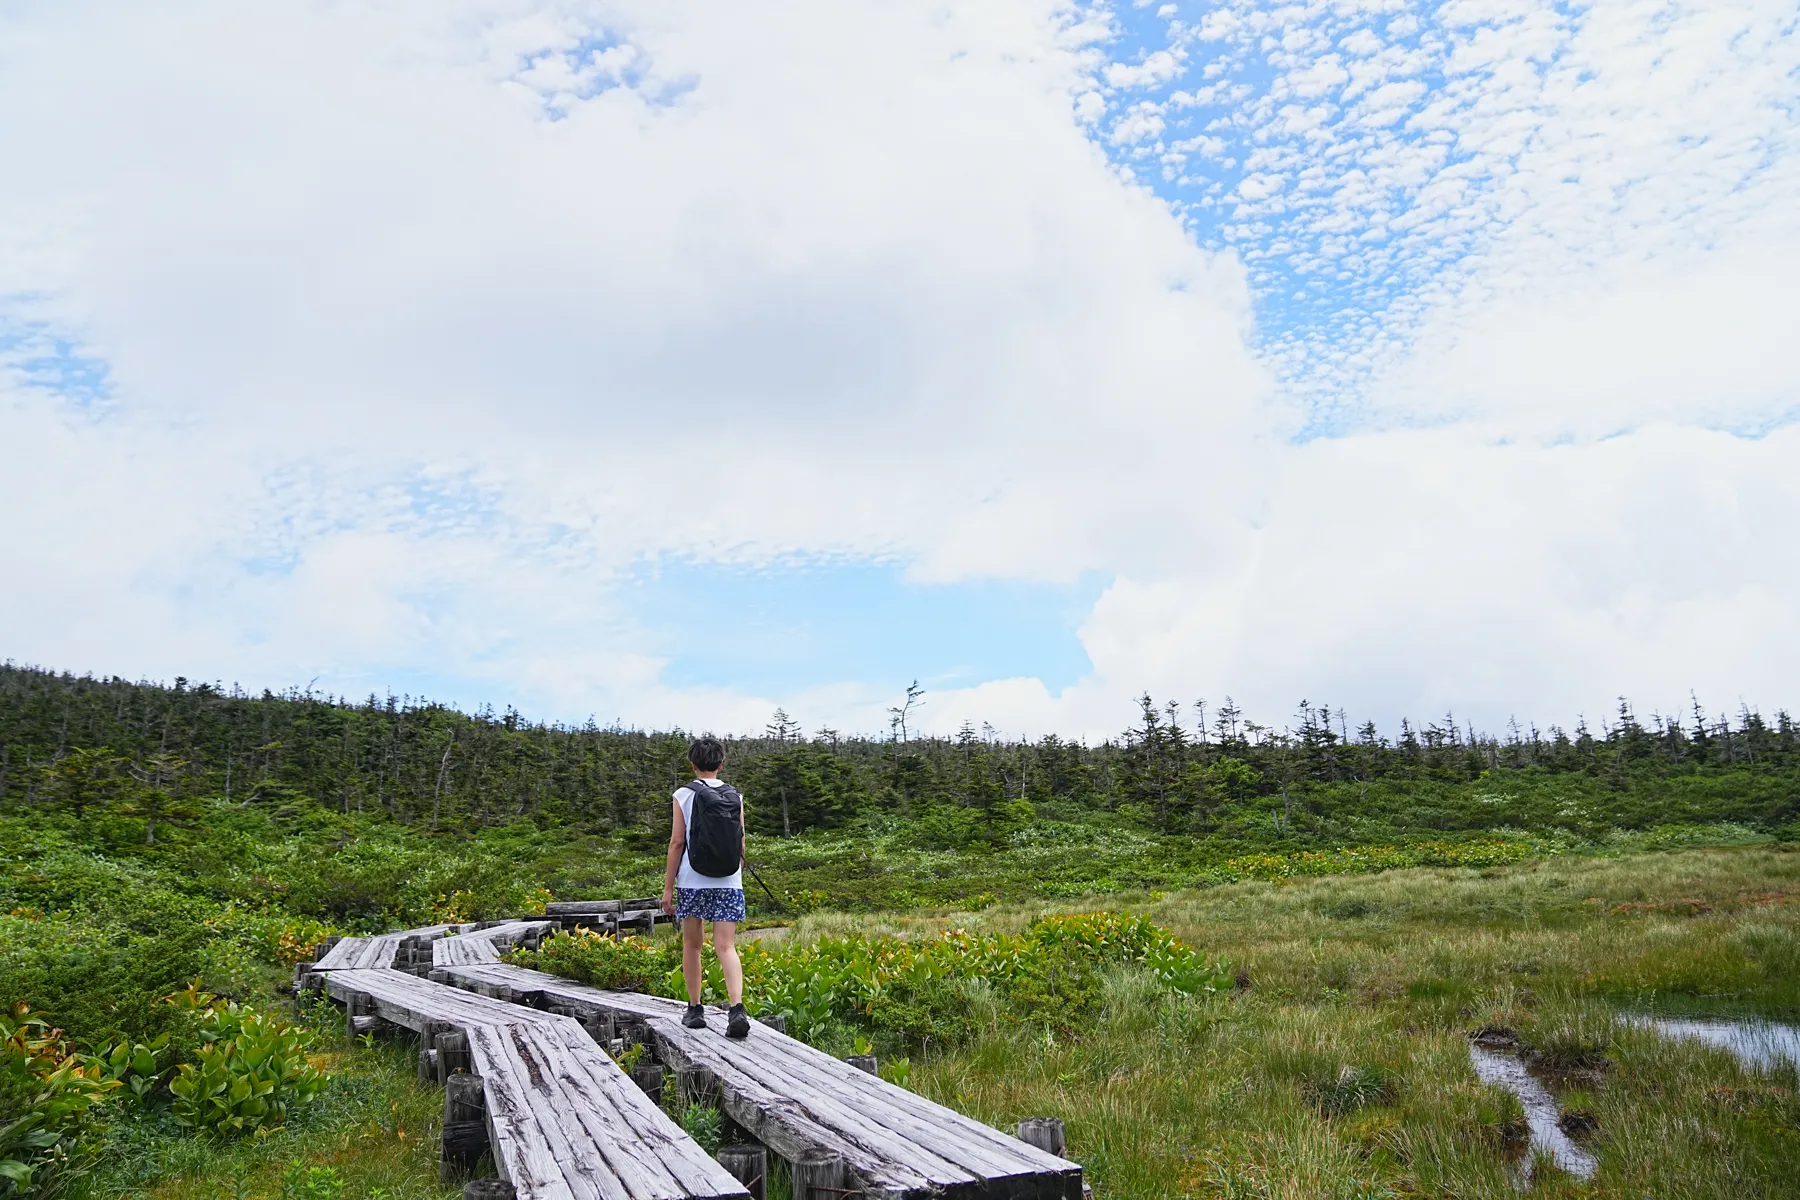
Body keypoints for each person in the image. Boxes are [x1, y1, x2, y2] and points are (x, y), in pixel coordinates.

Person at [661, 735, 752, 1038]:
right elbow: (741, 842)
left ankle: (695, 1009)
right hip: (729, 881)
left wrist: (668, 888)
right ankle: (736, 1009)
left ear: (693, 764)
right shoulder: (734, 795)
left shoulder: (683, 795)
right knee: (726, 946)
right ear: (721, 763)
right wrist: (732, 875)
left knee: (692, 944)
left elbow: (676, 842)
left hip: (693, 880)